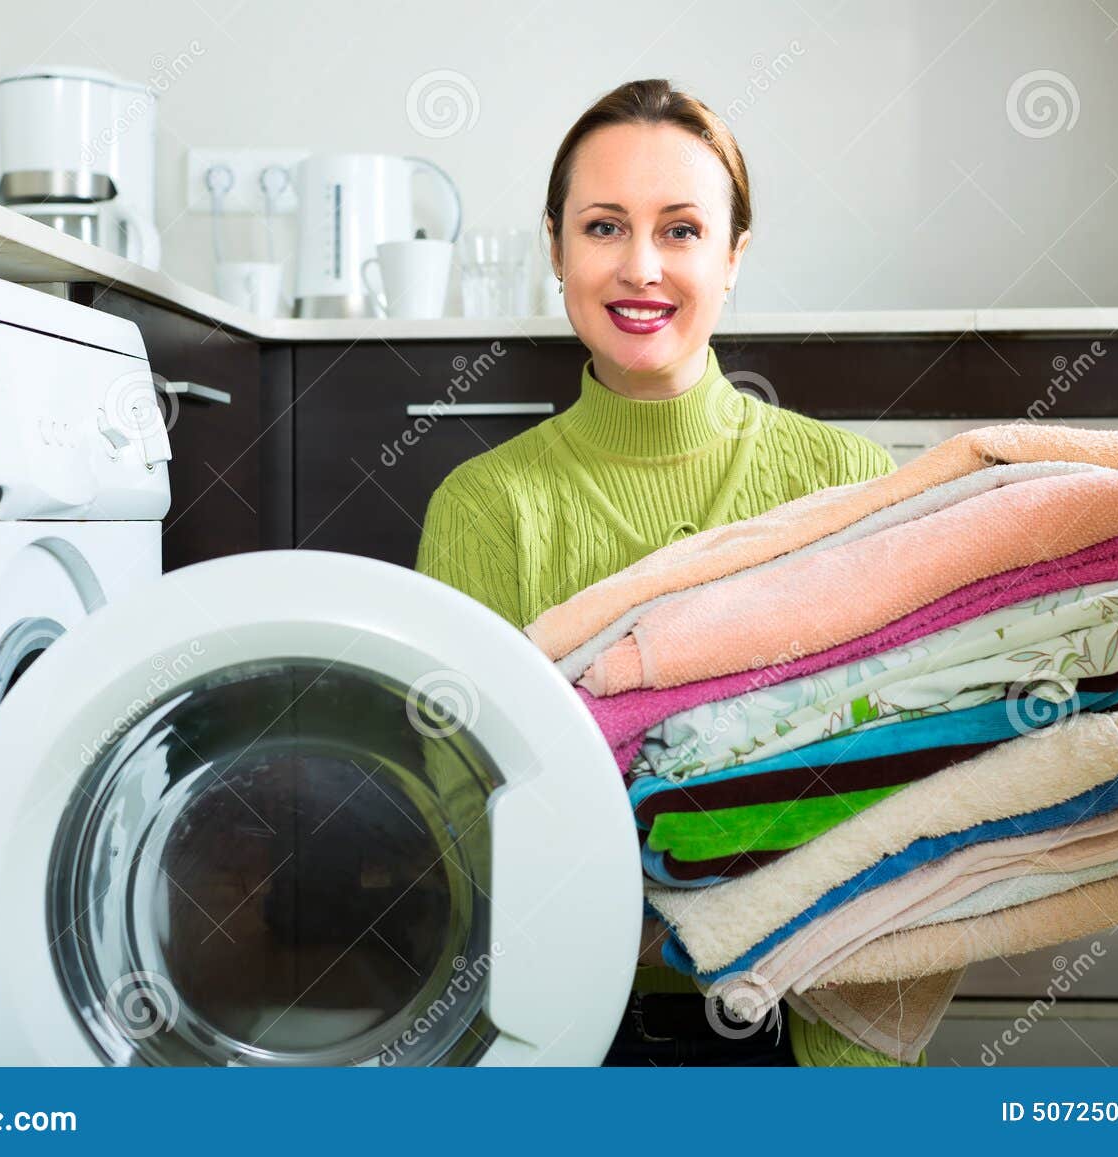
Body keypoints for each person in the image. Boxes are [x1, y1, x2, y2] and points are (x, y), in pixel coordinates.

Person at [415, 77, 907, 1066]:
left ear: (733, 257)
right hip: (577, 1017)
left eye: (680, 230)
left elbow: (907, 755)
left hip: (819, 1022)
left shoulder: (849, 479)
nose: (639, 267)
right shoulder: (484, 506)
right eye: (604, 226)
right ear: (554, 246)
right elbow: (467, 815)